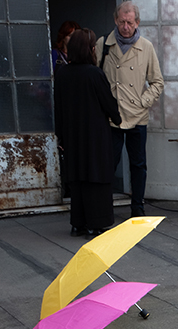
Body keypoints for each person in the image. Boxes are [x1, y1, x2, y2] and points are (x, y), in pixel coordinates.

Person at [55, 29, 122, 236]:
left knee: (78, 180)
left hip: (73, 135)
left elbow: (58, 107)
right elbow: (108, 103)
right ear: (90, 49)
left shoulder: (63, 74)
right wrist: (117, 117)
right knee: (97, 177)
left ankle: (78, 223)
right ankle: (97, 222)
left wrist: (61, 136)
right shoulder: (95, 74)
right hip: (95, 135)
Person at [101, 2, 164, 218]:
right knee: (108, 165)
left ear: (137, 23)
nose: (125, 27)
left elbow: (157, 82)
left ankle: (138, 207)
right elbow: (95, 80)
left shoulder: (146, 47)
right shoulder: (103, 45)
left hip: (137, 117)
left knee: (138, 165)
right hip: (112, 117)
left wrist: (142, 101)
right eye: (121, 22)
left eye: (129, 22)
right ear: (115, 21)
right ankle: (103, 208)